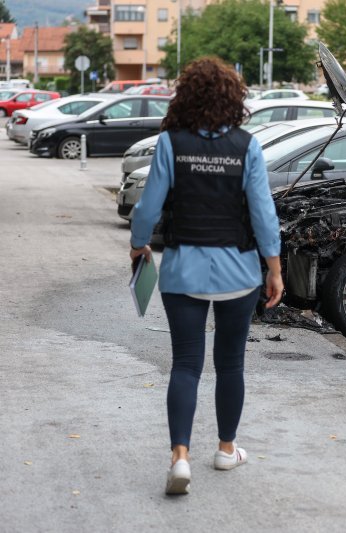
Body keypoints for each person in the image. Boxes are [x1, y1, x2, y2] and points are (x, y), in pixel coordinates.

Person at [129, 57, 283, 495]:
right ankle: (225, 449)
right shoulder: (247, 146)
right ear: (234, 99)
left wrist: (139, 245)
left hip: (182, 272)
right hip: (238, 271)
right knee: (230, 363)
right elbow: (263, 214)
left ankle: (180, 457)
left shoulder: (170, 143)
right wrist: (273, 269)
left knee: (186, 364)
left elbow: (148, 207)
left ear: (187, 96)